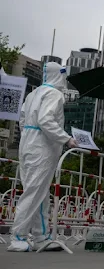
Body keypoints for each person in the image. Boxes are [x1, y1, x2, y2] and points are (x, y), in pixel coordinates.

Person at [7, 62, 78, 252]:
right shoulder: (54, 94)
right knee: (33, 192)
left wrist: (29, 137)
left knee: (40, 192)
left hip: (29, 143)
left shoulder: (33, 94)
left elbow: (22, 119)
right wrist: (66, 139)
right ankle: (18, 236)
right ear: (59, 75)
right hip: (42, 147)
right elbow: (45, 120)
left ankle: (40, 236)